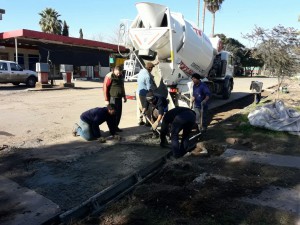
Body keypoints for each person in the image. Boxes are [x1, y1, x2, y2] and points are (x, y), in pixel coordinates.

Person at [103, 66, 127, 132]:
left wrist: (124, 96)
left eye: (120, 73)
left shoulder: (121, 76)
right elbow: (105, 88)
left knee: (119, 114)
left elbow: (122, 86)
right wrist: (106, 100)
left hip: (119, 98)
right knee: (113, 114)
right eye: (118, 73)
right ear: (114, 70)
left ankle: (116, 127)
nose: (119, 74)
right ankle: (112, 129)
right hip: (112, 98)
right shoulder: (109, 76)